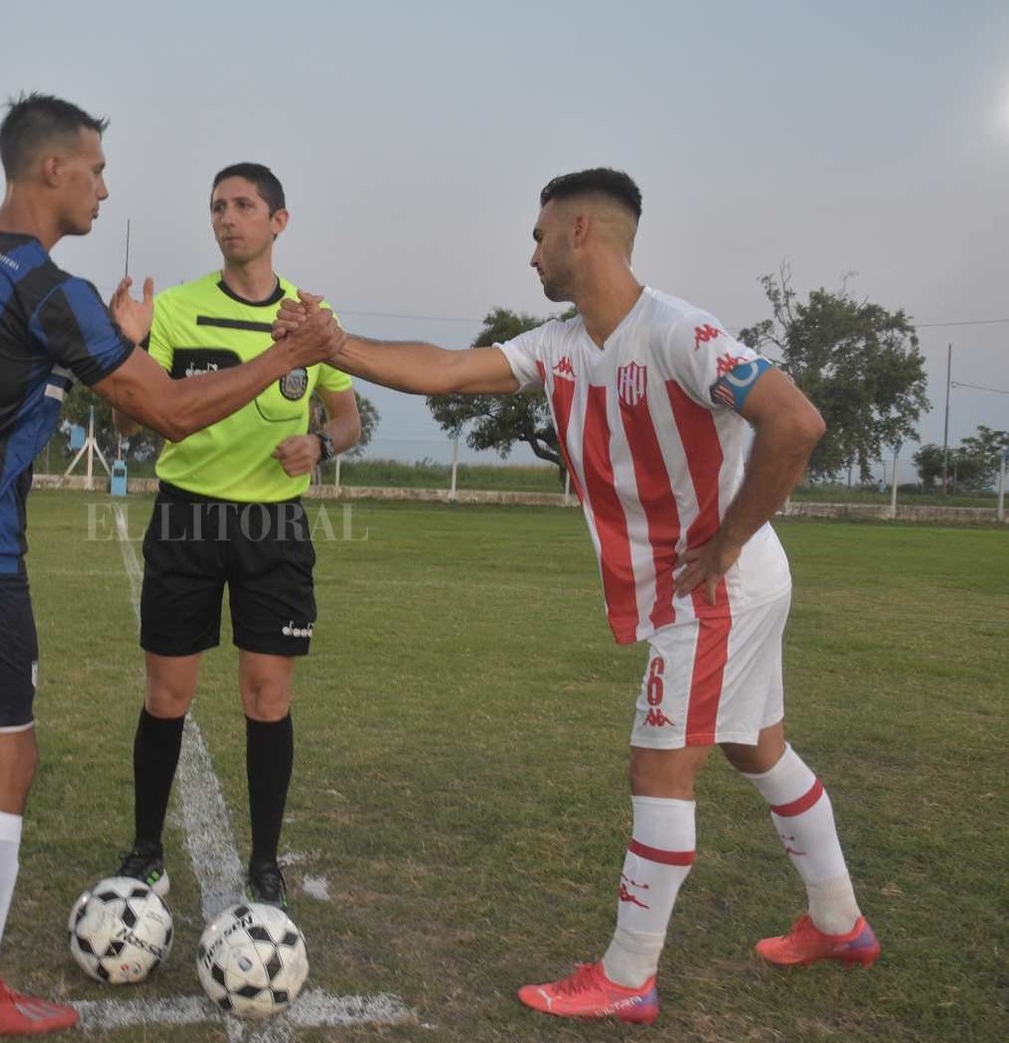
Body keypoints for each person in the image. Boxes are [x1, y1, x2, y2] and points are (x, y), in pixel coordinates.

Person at [276, 168, 878, 1024]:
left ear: (581, 231)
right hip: (715, 586)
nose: (531, 255)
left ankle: (628, 975)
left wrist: (727, 541)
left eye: (539, 235)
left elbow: (795, 421)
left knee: (658, 768)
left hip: (716, 589)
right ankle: (838, 921)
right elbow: (447, 370)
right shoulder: (560, 344)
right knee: (755, 747)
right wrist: (335, 347)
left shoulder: (678, 331)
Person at [0, 94, 341, 1040]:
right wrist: (287, 355)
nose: (103, 188)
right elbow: (167, 411)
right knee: (6, 757)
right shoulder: (47, 288)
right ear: (51, 169)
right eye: (94, 170)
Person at [110, 163, 361, 909]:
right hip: (186, 517)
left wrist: (320, 443)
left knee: (267, 698)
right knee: (167, 695)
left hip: (273, 527)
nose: (227, 218)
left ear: (278, 221)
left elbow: (347, 418)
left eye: (244, 205)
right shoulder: (176, 308)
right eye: (217, 206)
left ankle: (264, 863)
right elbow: (129, 419)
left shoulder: (310, 317)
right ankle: (146, 850)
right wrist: (127, 351)